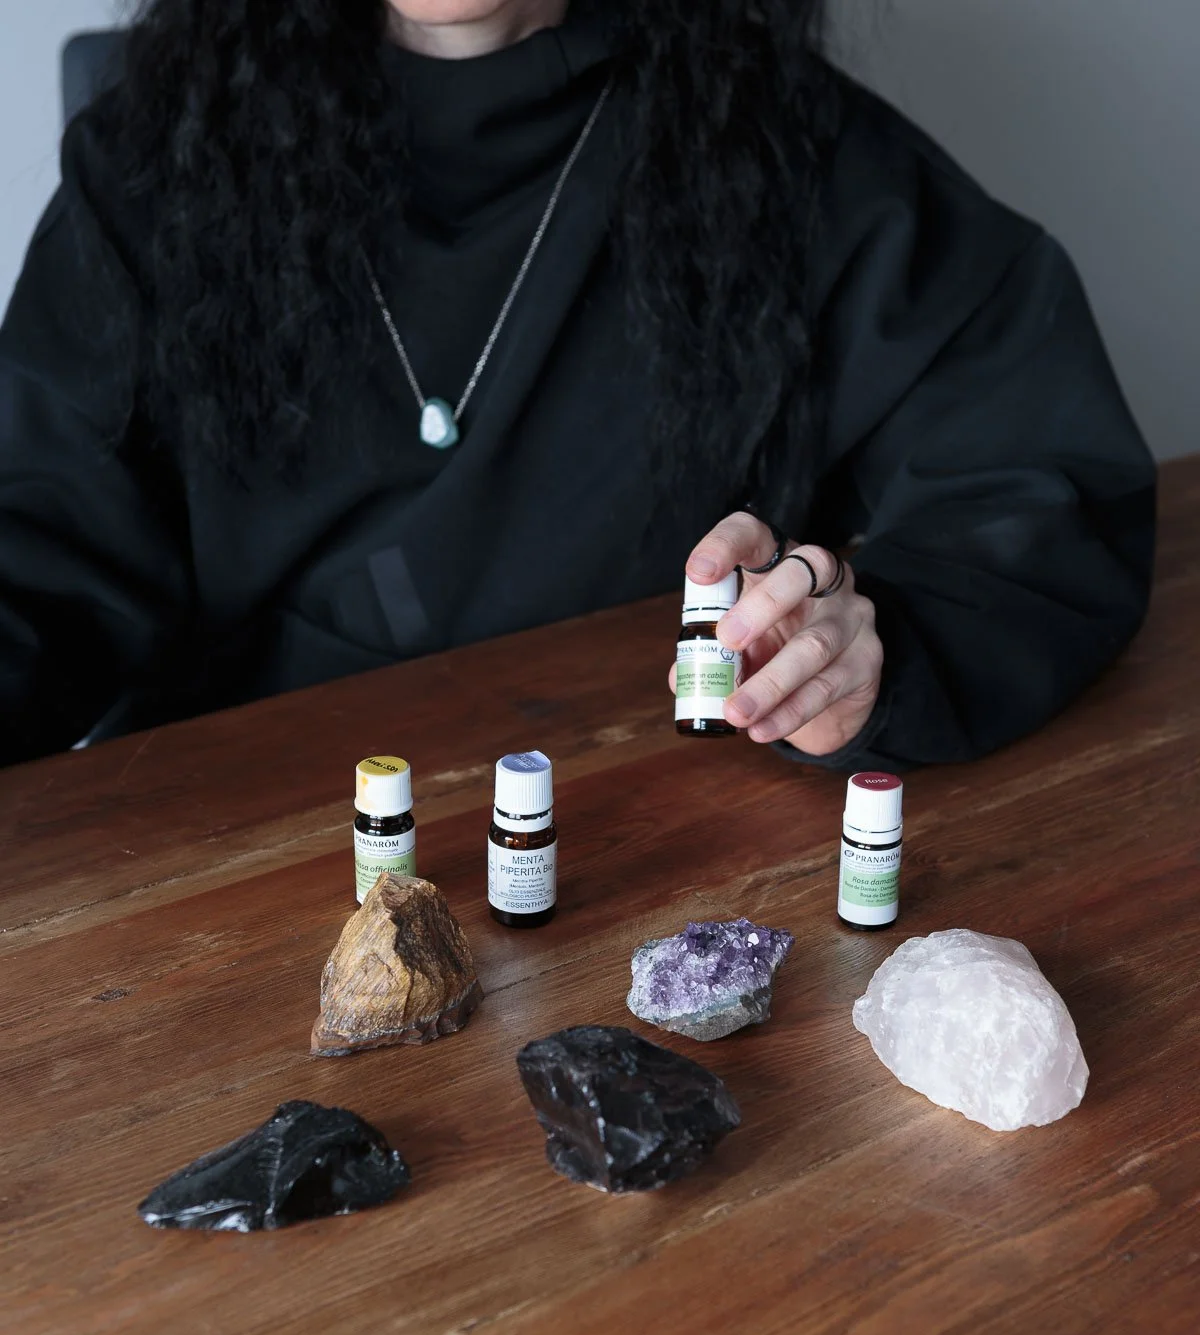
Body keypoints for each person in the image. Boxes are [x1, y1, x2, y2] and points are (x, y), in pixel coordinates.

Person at [0, 0, 1155, 770]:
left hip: (666, 842)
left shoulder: (794, 152)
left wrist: (868, 640)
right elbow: (36, 555)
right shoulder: (153, 166)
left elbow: (1032, 487)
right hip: (243, 870)